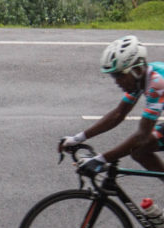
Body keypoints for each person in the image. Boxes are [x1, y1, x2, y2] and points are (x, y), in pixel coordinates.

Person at [61, 36, 164, 181]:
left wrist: (101, 159)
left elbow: (142, 135)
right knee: (139, 151)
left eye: (119, 75)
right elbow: (118, 114)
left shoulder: (157, 84)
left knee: (141, 145)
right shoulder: (140, 79)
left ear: (137, 69)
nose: (116, 81)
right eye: (113, 76)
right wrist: (77, 138)